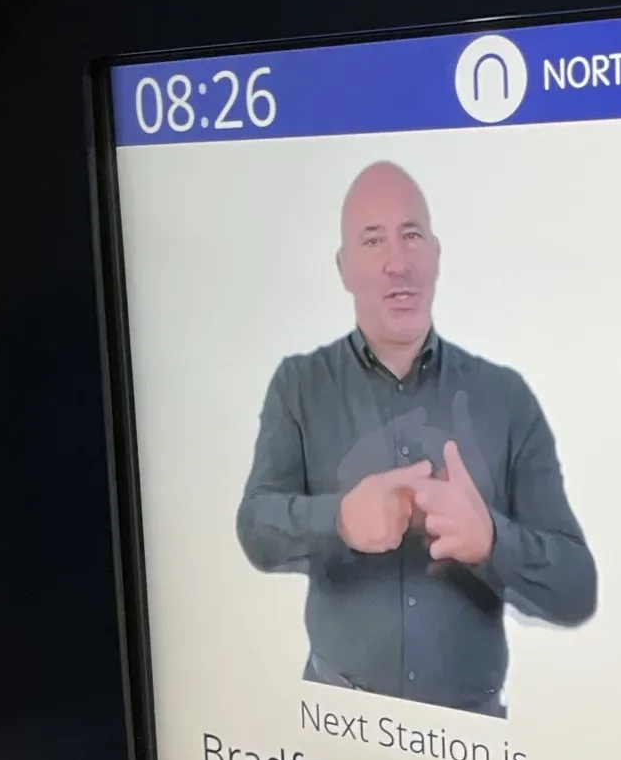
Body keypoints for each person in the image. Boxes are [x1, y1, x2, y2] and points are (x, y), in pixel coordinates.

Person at [235, 161, 597, 718]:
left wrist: (491, 543)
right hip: (331, 729)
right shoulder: (298, 385)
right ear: (344, 266)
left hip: (469, 744)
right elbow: (255, 528)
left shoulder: (506, 397)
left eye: (411, 236)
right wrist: (340, 520)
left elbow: (577, 588)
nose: (397, 262)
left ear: (435, 254)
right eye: (372, 240)